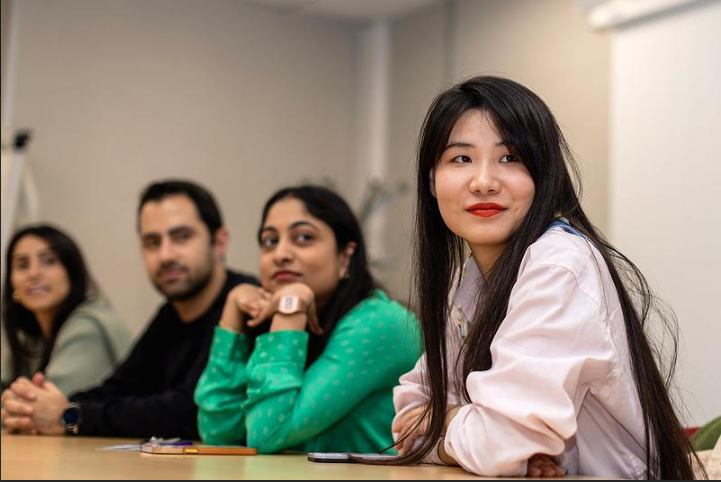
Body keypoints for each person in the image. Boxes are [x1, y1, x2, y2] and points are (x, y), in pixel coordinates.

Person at [390, 76, 699, 479]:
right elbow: (410, 414)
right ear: (432, 180)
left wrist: (448, 425)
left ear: (545, 175)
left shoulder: (558, 264)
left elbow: (496, 441)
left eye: (511, 158)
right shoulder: (471, 277)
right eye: (461, 159)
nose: (483, 181)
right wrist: (478, 437)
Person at [0, 180, 256, 438]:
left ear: (219, 242)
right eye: (152, 242)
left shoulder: (247, 304)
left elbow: (188, 412)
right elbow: (119, 388)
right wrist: (36, 409)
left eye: (181, 237)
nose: (166, 255)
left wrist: (69, 417)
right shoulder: (170, 314)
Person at [194, 185, 421, 453]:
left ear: (346, 256)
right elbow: (217, 431)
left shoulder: (380, 322)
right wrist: (232, 313)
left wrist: (290, 310)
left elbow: (267, 434)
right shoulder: (285, 322)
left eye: (303, 237)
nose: (281, 254)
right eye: (269, 241)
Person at [1, 225, 131, 397]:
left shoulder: (87, 329)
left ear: (71, 272)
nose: (33, 273)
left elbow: (42, 410)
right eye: (22, 265)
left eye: (48, 261)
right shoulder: (33, 342)